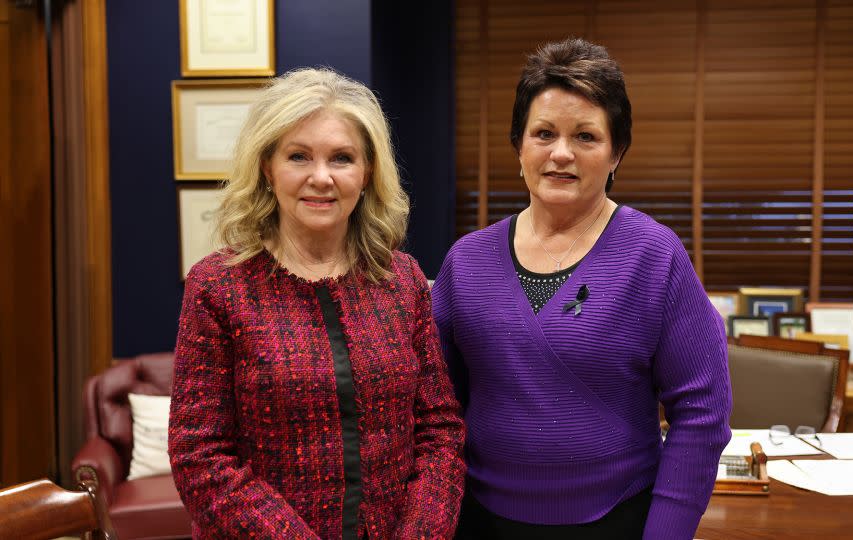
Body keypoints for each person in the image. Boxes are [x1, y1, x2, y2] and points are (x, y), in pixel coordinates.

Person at [432, 38, 732, 539]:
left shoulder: (654, 256)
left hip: (616, 520)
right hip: (478, 519)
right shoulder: (466, 261)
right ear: (519, 147)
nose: (561, 154)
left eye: (586, 137)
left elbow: (702, 414)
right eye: (544, 133)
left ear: (617, 153)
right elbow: (436, 408)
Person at [168, 68, 466, 539]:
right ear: (268, 167)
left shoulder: (401, 280)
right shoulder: (218, 286)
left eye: (342, 158)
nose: (321, 178)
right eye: (299, 156)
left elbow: (439, 431)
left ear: (367, 172)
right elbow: (199, 455)